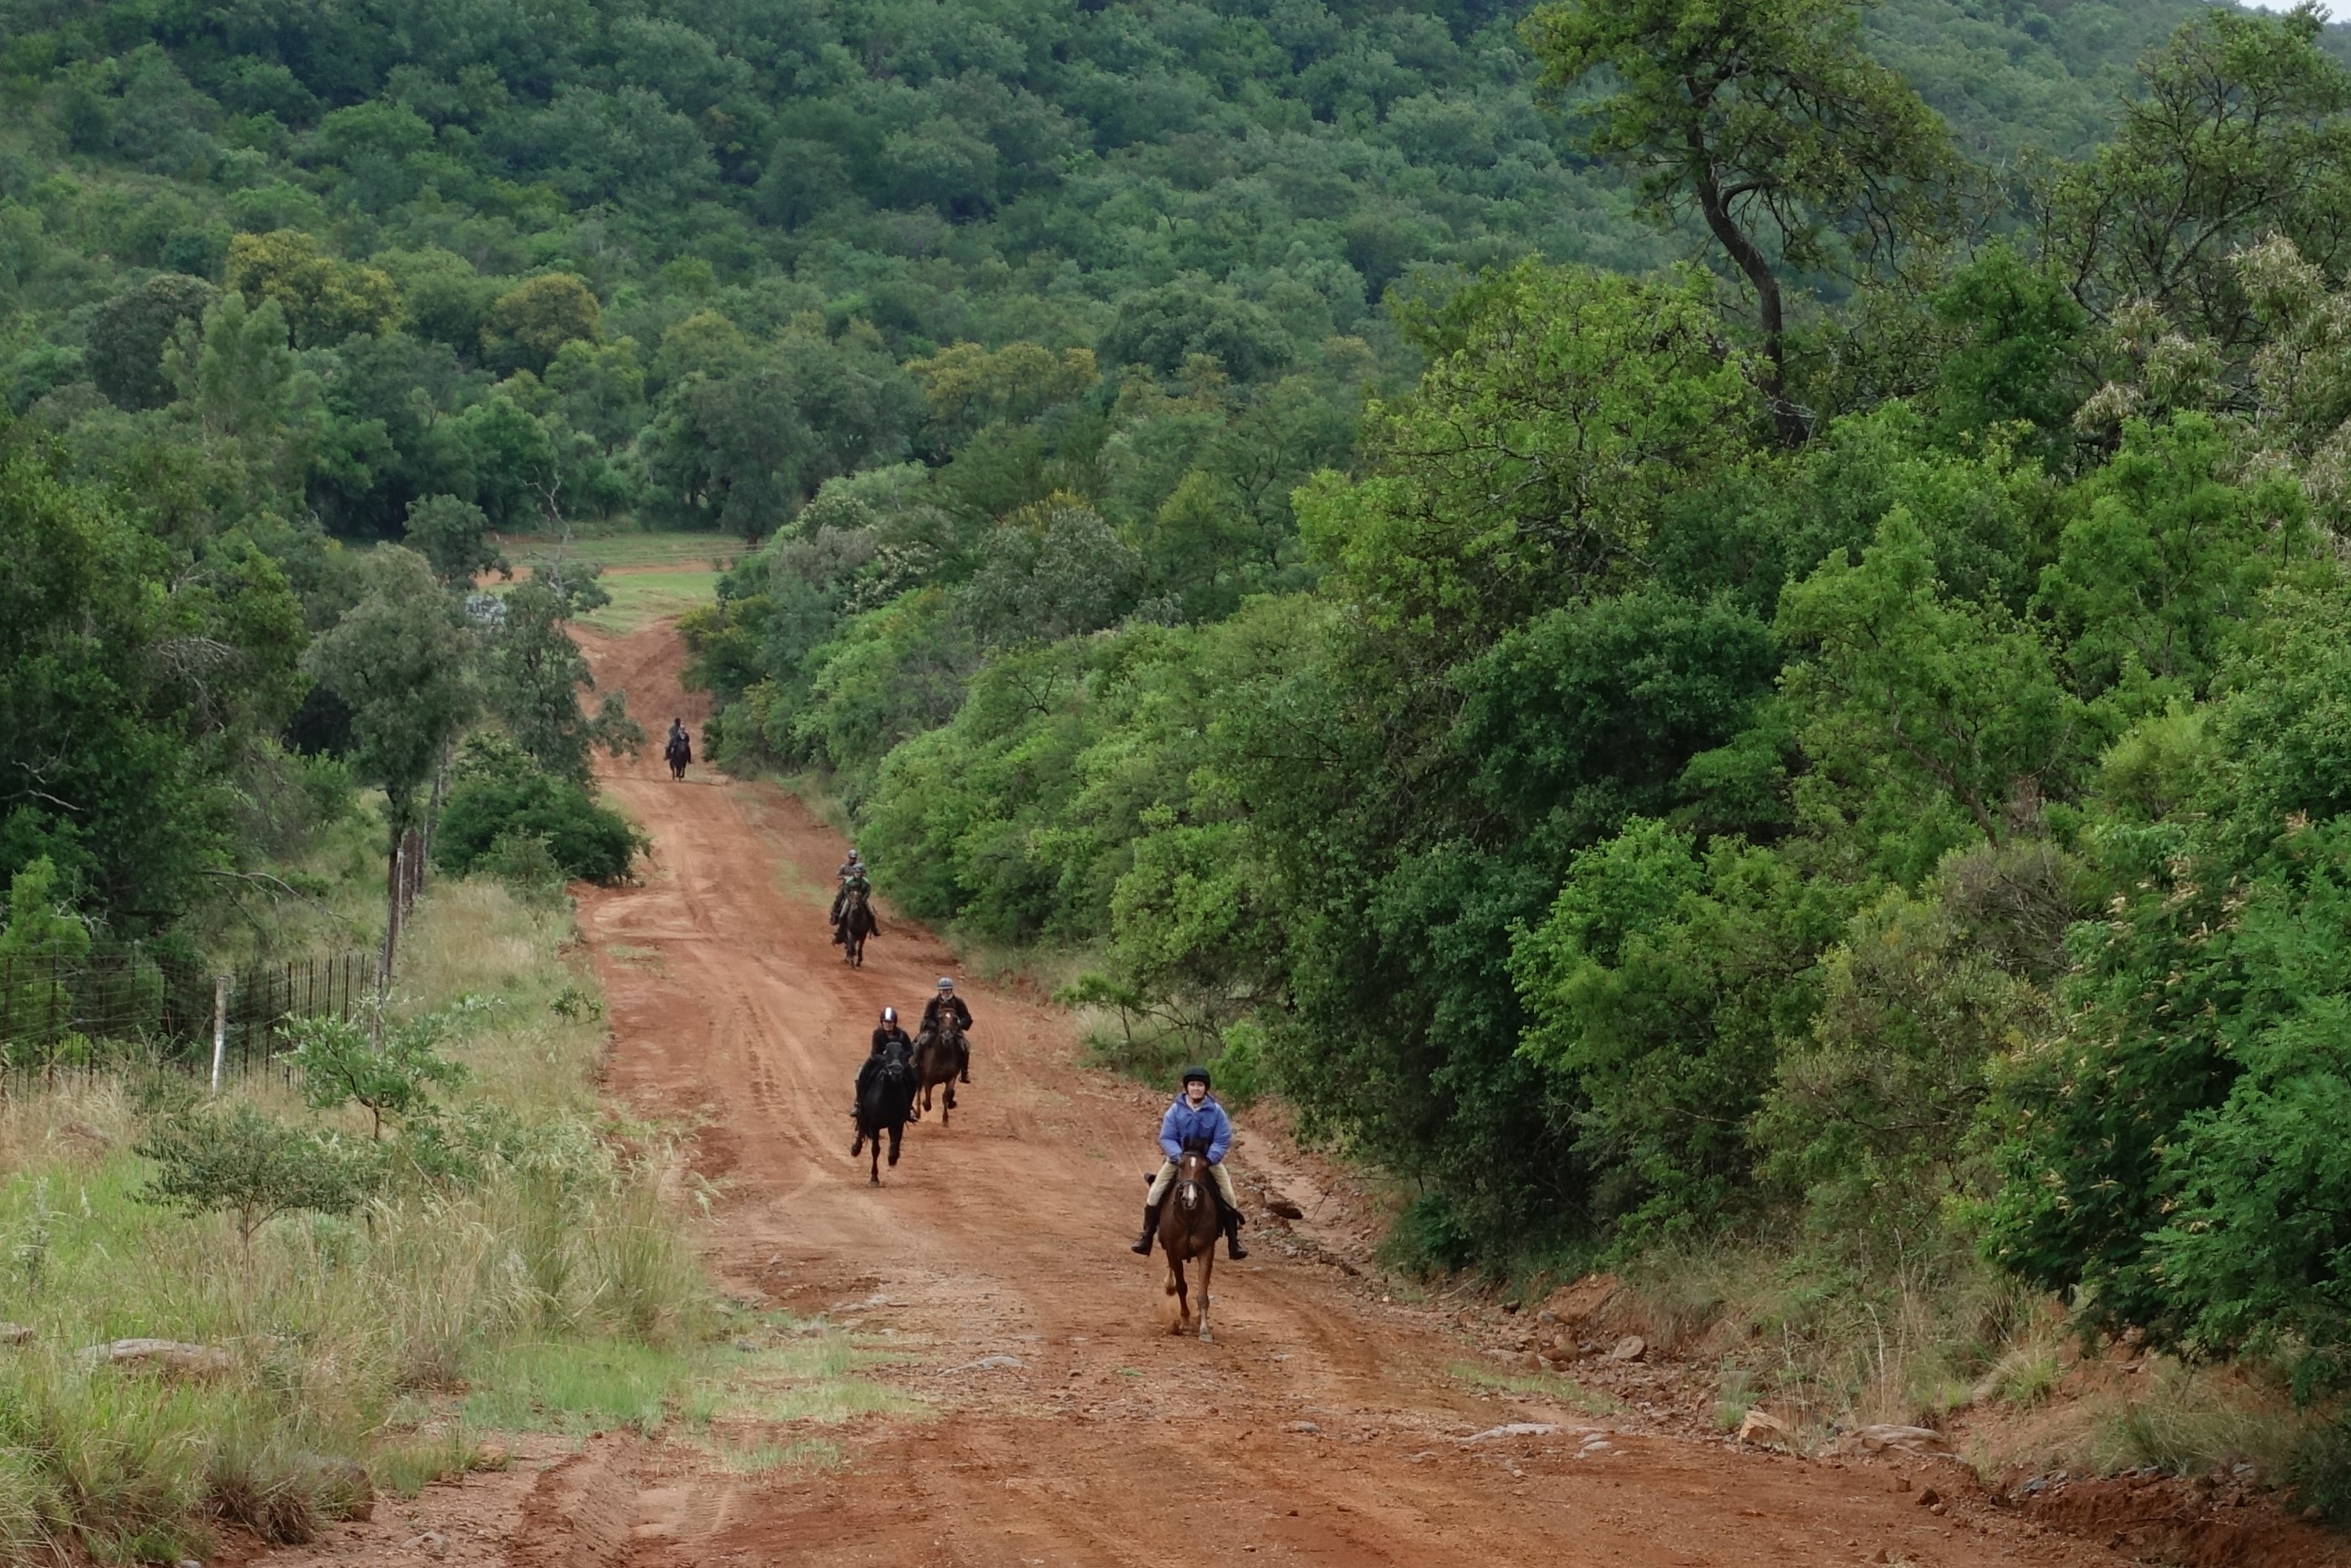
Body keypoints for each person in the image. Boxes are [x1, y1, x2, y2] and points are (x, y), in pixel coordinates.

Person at [1132, 1066, 1247, 1260]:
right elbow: (1167, 1137)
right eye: (1192, 1084)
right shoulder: (1175, 1110)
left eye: (1200, 1085)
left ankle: (1234, 1242)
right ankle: (1146, 1236)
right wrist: (1178, 1158)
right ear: (1186, 1087)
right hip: (1179, 1160)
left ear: (1206, 1088)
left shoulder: (1216, 1112)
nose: (1196, 1088)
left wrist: (1210, 1158)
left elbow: (1222, 1139)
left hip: (1208, 1161)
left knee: (1229, 1195)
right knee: (1155, 1192)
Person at [852, 1007, 913, 1115]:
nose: (888, 1025)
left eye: (890, 1022)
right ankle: (859, 1104)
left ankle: (908, 1107)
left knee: (913, 1079)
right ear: (882, 1022)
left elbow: (910, 1050)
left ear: (894, 1023)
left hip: (898, 1064)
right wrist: (886, 1059)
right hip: (879, 1062)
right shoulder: (877, 1034)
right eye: (886, 1022)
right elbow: (874, 1054)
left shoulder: (902, 1035)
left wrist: (901, 1058)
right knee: (862, 1076)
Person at [918, 976, 973, 1083]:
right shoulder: (933, 1002)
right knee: (920, 1043)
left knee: (965, 1046)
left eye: (947, 990)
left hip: (953, 1031)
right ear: (939, 990)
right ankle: (916, 1066)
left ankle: (964, 1073)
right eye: (943, 990)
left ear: (951, 990)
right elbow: (927, 1018)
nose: (945, 992)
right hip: (935, 1030)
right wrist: (936, 1027)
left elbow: (966, 1018)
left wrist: (958, 1025)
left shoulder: (958, 1002)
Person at [829, 854, 872, 945]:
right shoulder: (845, 869)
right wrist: (845, 878)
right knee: (839, 902)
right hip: (849, 894)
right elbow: (842, 882)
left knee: (871, 912)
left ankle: (874, 929)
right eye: (852, 858)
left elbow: (868, 889)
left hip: (861, 897)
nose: (853, 860)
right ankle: (836, 918)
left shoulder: (861, 871)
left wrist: (864, 898)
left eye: (854, 858)